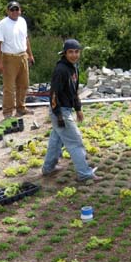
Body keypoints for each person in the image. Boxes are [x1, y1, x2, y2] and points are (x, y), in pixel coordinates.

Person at [42, 39, 100, 183]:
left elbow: (74, 91)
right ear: (65, 53)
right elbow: (53, 94)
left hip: (66, 108)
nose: (74, 55)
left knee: (56, 140)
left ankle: (48, 169)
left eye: (76, 52)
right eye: (70, 52)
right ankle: (84, 174)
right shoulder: (61, 70)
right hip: (60, 111)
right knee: (75, 141)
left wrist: (78, 108)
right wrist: (59, 115)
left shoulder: (73, 67)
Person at [0, 0, 35, 118]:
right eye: (12, 9)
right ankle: (7, 111)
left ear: (20, 10)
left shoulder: (22, 21)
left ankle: (21, 108)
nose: (15, 12)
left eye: (17, 9)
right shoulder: (2, 24)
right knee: (9, 87)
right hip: (9, 58)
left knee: (24, 84)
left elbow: (26, 39)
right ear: (8, 11)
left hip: (23, 55)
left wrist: (30, 55)